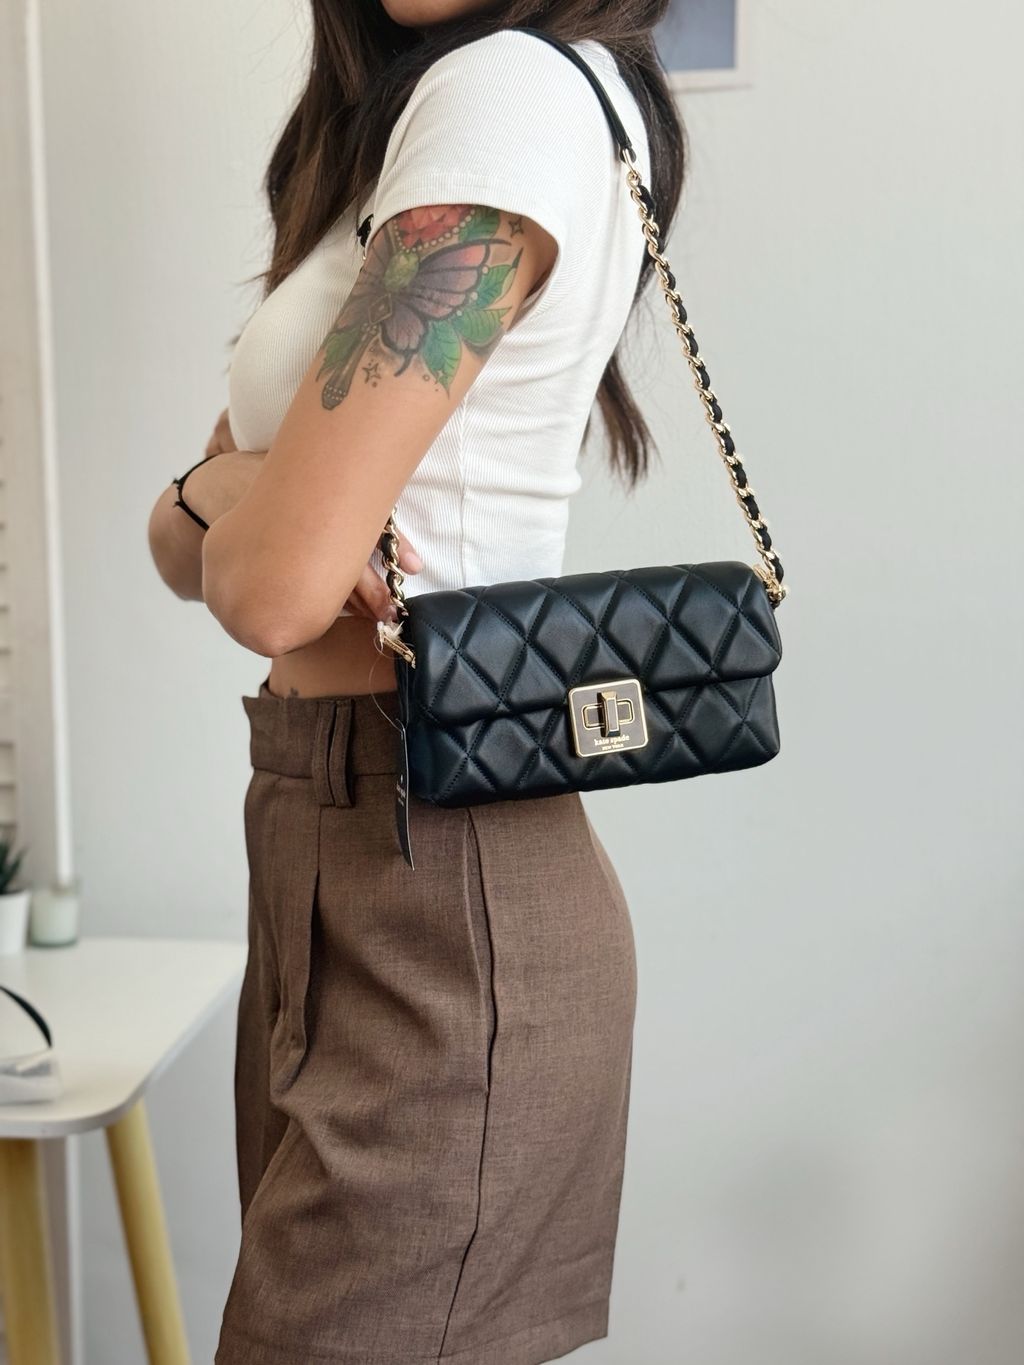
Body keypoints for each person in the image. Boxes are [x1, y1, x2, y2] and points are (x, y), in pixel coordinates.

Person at [147, 2, 685, 1361]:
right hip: (321, 845)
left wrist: (237, 508)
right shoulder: (408, 123)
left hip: (440, 868)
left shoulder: (510, 94)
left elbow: (262, 586)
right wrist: (240, 499)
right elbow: (185, 533)